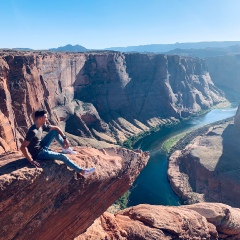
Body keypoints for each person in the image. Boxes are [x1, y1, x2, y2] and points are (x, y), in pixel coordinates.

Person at [20, 109, 96, 177]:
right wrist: (31, 160)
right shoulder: (33, 131)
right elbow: (23, 147)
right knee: (62, 157)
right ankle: (82, 172)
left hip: (41, 146)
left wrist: (65, 139)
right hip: (39, 154)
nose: (47, 119)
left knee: (54, 132)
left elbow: (56, 128)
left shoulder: (41, 126)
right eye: (45, 117)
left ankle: (66, 149)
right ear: (40, 119)